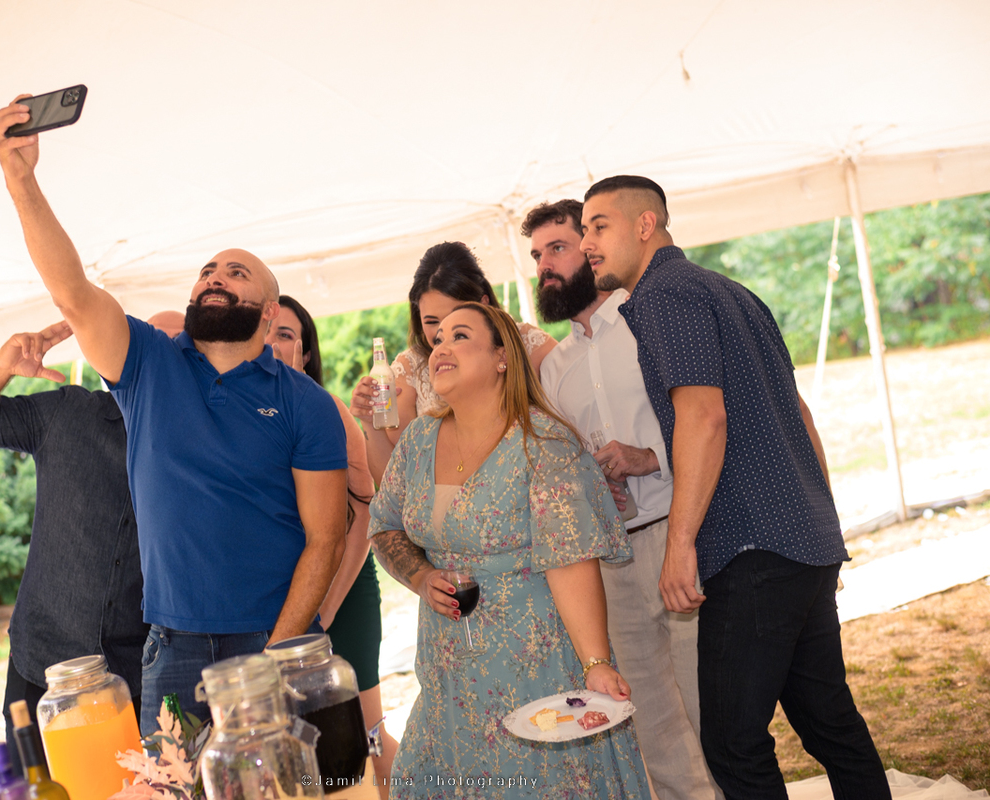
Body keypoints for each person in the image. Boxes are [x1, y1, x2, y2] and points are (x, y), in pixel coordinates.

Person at [0, 96, 349, 734]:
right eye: (207, 271)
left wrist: (275, 654)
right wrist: (21, 180)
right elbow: (73, 292)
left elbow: (327, 537)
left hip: (272, 640)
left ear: (269, 312)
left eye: (236, 273)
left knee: (287, 779)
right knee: (175, 781)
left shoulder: (306, 403)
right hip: (172, 649)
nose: (216, 277)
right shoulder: (149, 364)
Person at [581, 175, 891, 800]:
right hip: (801, 536)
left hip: (751, 548)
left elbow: (703, 417)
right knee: (831, 725)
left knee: (732, 743)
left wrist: (679, 544)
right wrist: (823, 525)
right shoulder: (730, 290)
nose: (588, 242)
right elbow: (799, 415)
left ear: (646, 225)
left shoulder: (664, 294)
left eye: (599, 226)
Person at [368, 301, 650, 799]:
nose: (442, 347)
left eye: (460, 336)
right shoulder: (417, 440)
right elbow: (385, 526)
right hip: (447, 673)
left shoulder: (543, 444)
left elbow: (570, 561)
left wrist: (595, 664)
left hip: (533, 669)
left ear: (503, 357)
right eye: (438, 339)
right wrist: (420, 577)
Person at [529, 199, 721, 800]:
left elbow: (707, 418)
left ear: (591, 249)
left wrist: (648, 457)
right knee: (651, 723)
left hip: (679, 533)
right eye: (537, 257)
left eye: (558, 249)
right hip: (611, 557)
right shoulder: (554, 368)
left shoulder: (649, 320)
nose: (545, 267)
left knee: (711, 708)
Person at [0, 316, 180, 768]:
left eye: (177, 350)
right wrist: (1, 366)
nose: (161, 358)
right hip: (40, 668)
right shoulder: (68, 411)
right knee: (40, 790)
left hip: (140, 677)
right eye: (148, 344)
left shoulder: (203, 448)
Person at [266, 295, 399, 797]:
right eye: (265, 332)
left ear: (305, 353)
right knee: (313, 748)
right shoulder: (248, 414)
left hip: (342, 586)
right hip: (290, 597)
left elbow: (364, 512)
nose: (272, 343)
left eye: (285, 335)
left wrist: (325, 610)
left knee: (367, 734)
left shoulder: (326, 408)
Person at [350, 241, 556, 482]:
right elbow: (395, 483)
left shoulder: (532, 347)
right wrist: (369, 423)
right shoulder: (408, 371)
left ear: (484, 304)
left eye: (456, 324)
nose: (443, 334)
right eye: (432, 322)